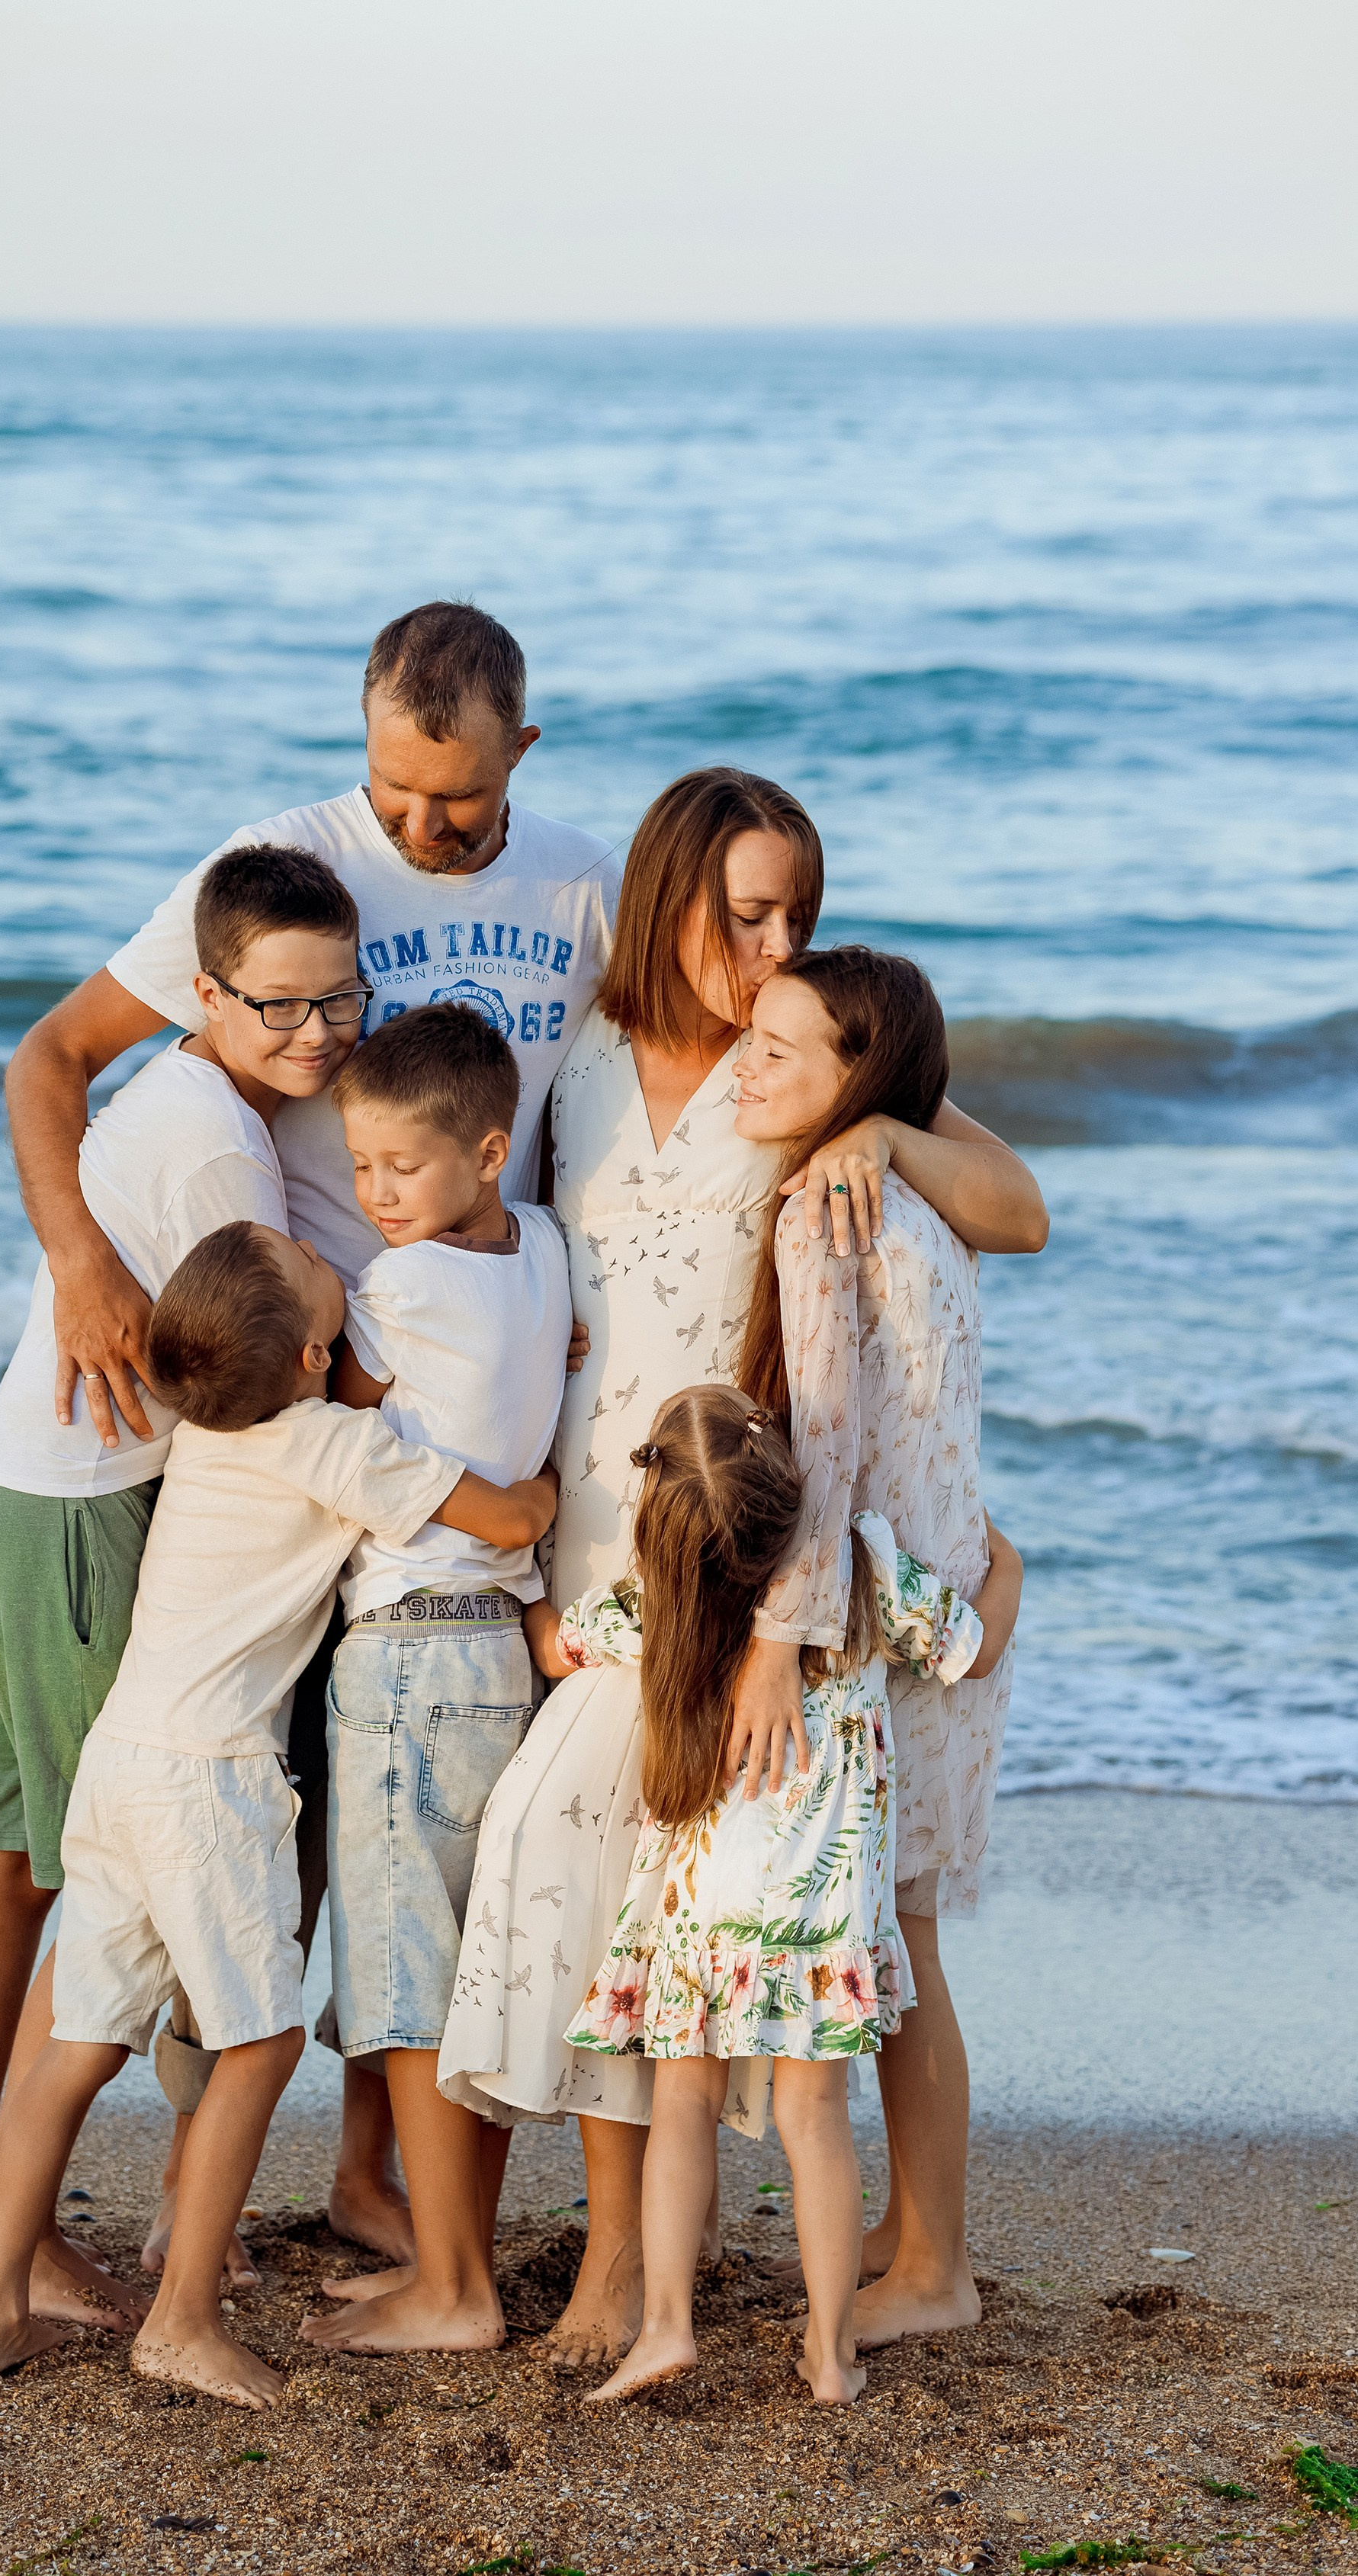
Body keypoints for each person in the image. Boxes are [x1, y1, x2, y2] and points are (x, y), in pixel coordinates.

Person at [2, 601, 621, 2255]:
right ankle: (73, 2202)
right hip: (306, 1414)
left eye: (459, 806)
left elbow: (660, 1067)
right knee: (261, 1812)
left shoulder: (577, 878)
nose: (423, 831)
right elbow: (59, 1057)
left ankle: (358, 2178)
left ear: (521, 756)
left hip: (464, 1384)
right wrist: (77, 1268)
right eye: (396, 794)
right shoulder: (281, 868)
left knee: (377, 1835)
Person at [437, 767, 1048, 2366]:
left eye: (796, 914)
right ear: (664, 899)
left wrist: (895, 1138)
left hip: (751, 1547)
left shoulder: (818, 1073)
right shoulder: (570, 1063)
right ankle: (628, 2261)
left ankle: (861, 2256)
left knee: (772, 1892)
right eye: (743, 911)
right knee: (634, 1894)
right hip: (602, 1523)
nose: (771, 941)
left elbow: (1019, 1208)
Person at [0, 1219, 560, 2393]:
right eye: (318, 1274)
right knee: (263, 2037)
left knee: (80, 2042)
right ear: (317, 1354)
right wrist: (556, 1431)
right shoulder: (330, 1443)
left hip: (120, 1763)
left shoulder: (209, 1438)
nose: (327, 1252)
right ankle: (179, 2321)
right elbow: (515, 1521)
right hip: (208, 1781)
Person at [0, 842, 364, 2318]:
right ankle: (3, 2236)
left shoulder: (167, 1088)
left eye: (336, 1004)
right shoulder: (224, 1149)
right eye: (275, 1010)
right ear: (203, 991)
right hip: (78, 1522)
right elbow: (290, 1366)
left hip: (0, 1496)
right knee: (98, 1874)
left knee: (10, 1867)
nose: (311, 1036)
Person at [544, 1386, 1019, 2405]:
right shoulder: (859, 1572)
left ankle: (666, 2326)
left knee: (681, 2104)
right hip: (821, 1915)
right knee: (814, 2119)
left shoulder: (657, 1603)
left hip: (694, 1910)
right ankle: (828, 2352)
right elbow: (970, 1646)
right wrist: (1008, 1560)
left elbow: (564, 1645)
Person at [736, 943, 1021, 2347]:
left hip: (888, 1623)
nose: (749, 1065)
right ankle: (916, 2236)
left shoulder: (825, 1207)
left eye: (786, 1050)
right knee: (906, 1940)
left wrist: (773, 1644)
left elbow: (832, 1455)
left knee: (893, 1950)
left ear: (863, 1079)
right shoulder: (913, 1195)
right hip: (943, 1595)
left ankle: (935, 2269)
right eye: (752, 1036)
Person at [291, 1003, 571, 2357]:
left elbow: (338, 1399)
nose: (375, 1195)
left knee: (407, 1976)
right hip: (502, 1652)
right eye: (358, 1169)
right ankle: (458, 2261)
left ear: (485, 1148)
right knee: (474, 1972)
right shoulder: (550, 1250)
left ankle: (452, 2292)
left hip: (405, 1652)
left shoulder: (396, 1288)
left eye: (403, 1168)